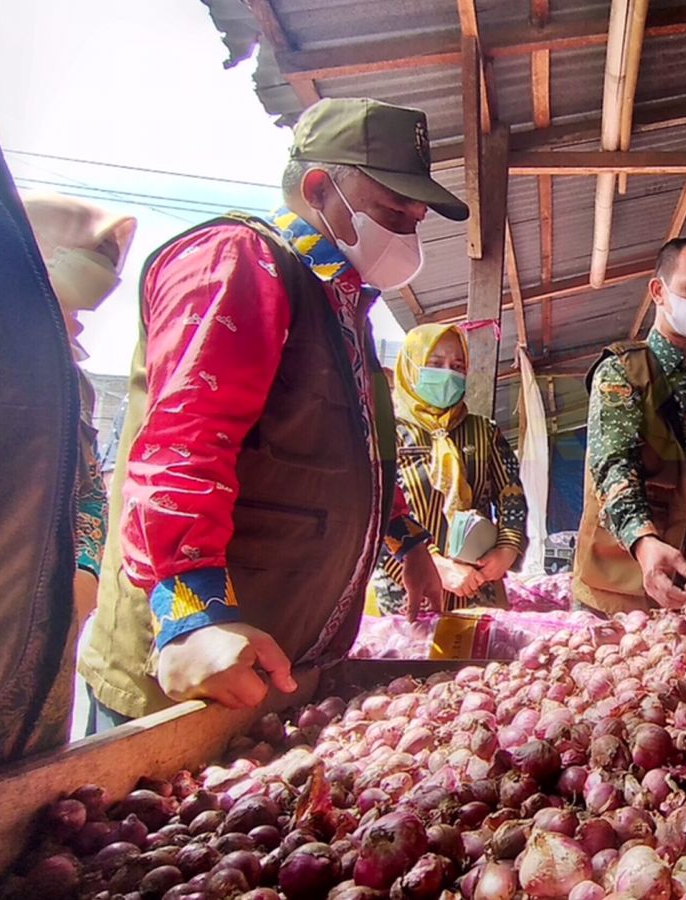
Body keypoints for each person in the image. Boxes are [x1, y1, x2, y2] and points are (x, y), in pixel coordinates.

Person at [79, 98, 456, 729]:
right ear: (318, 187)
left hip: (277, 676)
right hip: (187, 682)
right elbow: (184, 444)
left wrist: (409, 545)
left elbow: (353, 459)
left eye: (416, 220)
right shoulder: (237, 262)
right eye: (394, 211)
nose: (408, 233)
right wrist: (191, 616)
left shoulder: (343, 310)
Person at [573, 236, 686, 612]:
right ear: (659, 291)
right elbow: (613, 466)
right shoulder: (622, 371)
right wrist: (642, 540)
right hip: (628, 584)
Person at [21, 192, 137, 628]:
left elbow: (86, 490)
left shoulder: (76, 381)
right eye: (95, 254)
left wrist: (86, 570)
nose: (107, 270)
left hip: (55, 606)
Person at [388, 323, 528, 613]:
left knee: (485, 656)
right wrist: (435, 565)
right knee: (408, 656)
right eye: (436, 364)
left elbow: (511, 494)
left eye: (458, 365)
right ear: (411, 367)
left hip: (479, 584)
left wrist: (507, 548)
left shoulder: (483, 431)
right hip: (408, 585)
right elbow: (372, 518)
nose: (448, 374)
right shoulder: (386, 434)